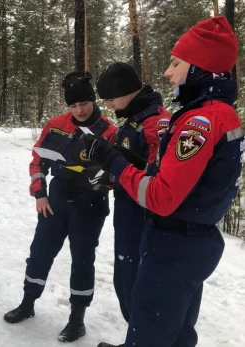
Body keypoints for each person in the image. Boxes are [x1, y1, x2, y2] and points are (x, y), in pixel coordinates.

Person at [83, 17, 243, 347]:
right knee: (175, 331)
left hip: (175, 242)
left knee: (151, 333)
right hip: (189, 239)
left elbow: (163, 196)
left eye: (175, 63)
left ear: (201, 67)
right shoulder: (220, 113)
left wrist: (114, 162)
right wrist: (126, 165)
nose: (167, 72)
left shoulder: (199, 121)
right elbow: (185, 177)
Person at [3, 71, 118, 343]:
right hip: (55, 200)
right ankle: (28, 303)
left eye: (84, 104)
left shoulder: (109, 131)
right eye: (73, 106)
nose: (79, 110)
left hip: (89, 204)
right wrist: (39, 194)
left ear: (93, 101)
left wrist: (86, 174)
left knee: (82, 260)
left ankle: (77, 319)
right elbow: (37, 162)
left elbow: (115, 179)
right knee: (40, 252)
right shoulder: (56, 124)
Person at [93, 62, 171, 346]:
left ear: (126, 91)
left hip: (145, 219)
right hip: (127, 212)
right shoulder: (133, 118)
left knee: (140, 288)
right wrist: (110, 176)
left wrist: (123, 165)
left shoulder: (155, 122)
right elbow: (131, 165)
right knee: (125, 283)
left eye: (111, 99)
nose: (109, 105)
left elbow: (160, 176)